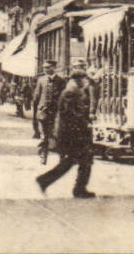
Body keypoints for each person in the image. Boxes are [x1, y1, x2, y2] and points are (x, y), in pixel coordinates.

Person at [35, 65, 96, 198]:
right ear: (79, 80)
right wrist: (85, 124)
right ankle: (78, 189)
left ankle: (47, 181)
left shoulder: (73, 91)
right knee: (81, 161)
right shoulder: (70, 93)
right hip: (72, 134)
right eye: (84, 79)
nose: (86, 82)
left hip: (74, 133)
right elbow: (70, 115)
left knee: (76, 161)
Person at [35, 60, 60, 164]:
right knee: (44, 135)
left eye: (48, 67)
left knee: (56, 135)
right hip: (43, 112)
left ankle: (60, 157)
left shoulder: (61, 81)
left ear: (54, 68)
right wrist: (37, 111)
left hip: (56, 113)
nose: (45, 69)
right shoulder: (41, 80)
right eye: (44, 67)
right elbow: (36, 96)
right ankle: (43, 156)